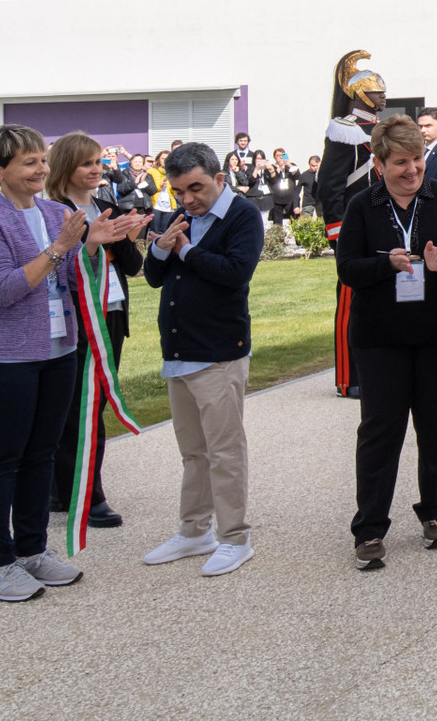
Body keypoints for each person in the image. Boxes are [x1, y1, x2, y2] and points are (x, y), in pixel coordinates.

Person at [0, 126, 140, 601]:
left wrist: (94, 244)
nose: (42, 169)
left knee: (41, 456)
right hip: (7, 362)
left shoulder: (57, 212)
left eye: (42, 160)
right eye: (29, 163)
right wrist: (63, 247)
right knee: (2, 462)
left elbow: (74, 279)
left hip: (60, 353)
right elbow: (2, 290)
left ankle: (32, 550)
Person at [334, 115, 437, 567]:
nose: (412, 169)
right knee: (380, 432)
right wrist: (387, 265)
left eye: (417, 159)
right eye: (400, 162)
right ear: (380, 164)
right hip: (381, 339)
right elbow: (347, 269)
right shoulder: (362, 206)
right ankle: (370, 527)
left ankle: (434, 511)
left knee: (436, 428)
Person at [139, 142, 266, 578]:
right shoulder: (179, 217)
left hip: (218, 353)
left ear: (218, 177)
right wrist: (161, 248)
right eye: (179, 191)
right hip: (179, 352)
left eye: (195, 188)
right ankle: (194, 530)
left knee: (224, 451)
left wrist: (185, 250)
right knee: (193, 452)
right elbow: (154, 277)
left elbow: (236, 273)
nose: (188, 199)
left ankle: (235, 537)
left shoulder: (242, 215)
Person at [45, 132, 148, 532]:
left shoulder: (106, 204)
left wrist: (127, 237)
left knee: (92, 403)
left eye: (99, 163)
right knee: (77, 407)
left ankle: (64, 490)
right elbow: (60, 264)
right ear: (67, 166)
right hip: (75, 317)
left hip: (111, 312)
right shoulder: (54, 210)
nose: (96, 170)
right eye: (87, 163)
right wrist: (93, 239)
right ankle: (86, 495)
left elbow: (133, 265)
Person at [320, 51, 389, 397]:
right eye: (376, 92)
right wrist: (337, 234)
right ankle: (350, 378)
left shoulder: (384, 130)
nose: (383, 96)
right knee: (350, 306)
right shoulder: (343, 130)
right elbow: (330, 188)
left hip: (384, 226)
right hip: (353, 230)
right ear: (360, 93)